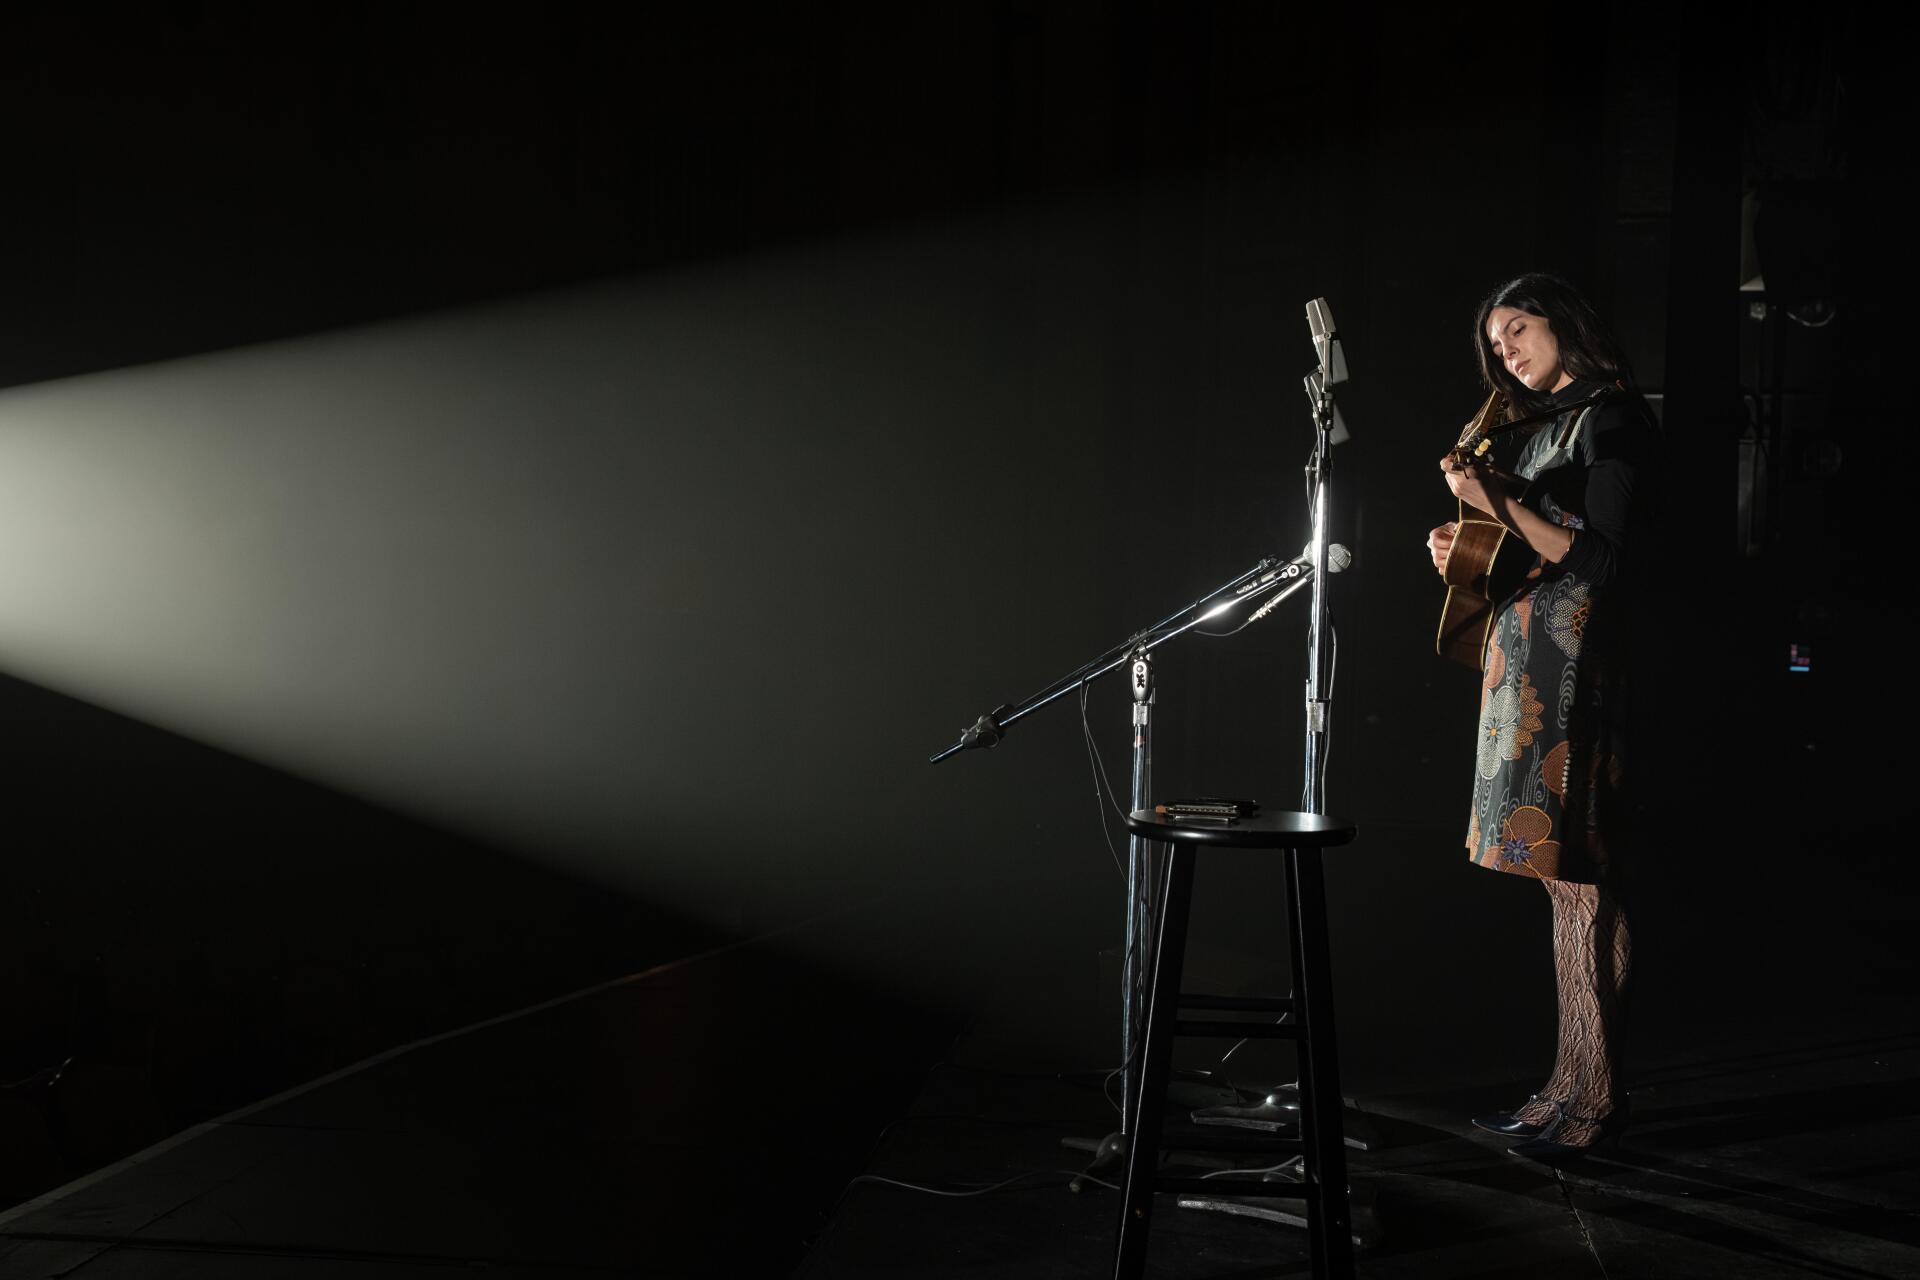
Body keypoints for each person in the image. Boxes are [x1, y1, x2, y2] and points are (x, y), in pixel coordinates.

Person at [1426, 273, 1659, 1161]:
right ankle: (1568, 1086)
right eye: (1496, 343)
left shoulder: (1616, 417)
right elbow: (1533, 548)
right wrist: (1468, 547)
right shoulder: (1535, 425)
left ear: (1566, 321)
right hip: (1530, 672)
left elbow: (1602, 562)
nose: (1507, 351)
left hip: (1579, 674)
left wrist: (1501, 507)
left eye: (1518, 329)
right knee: (1566, 885)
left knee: (1583, 880)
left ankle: (1593, 1097)